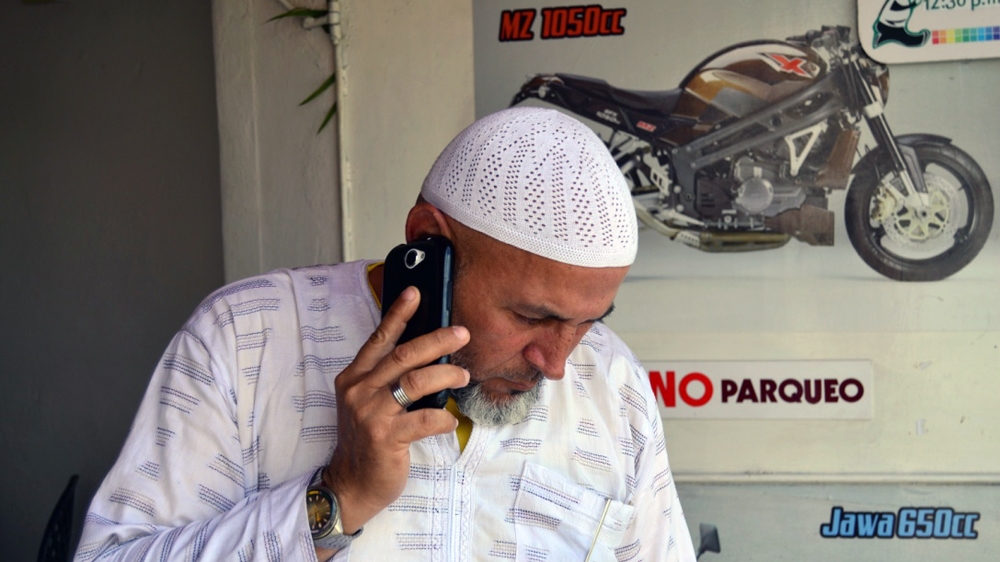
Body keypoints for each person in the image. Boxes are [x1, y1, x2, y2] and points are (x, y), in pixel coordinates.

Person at [75, 107, 697, 561]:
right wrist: (335, 496)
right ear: (428, 240)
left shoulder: (612, 381)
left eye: (588, 322)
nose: (556, 364)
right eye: (532, 318)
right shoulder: (248, 338)